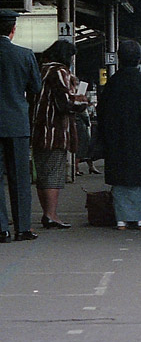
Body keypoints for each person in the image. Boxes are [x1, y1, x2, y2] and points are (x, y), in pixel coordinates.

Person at [97, 40, 141, 230]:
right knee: (140, 176)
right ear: (139, 59)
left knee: (120, 177)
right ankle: (140, 219)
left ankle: (121, 219)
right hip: (140, 139)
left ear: (119, 59)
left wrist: (105, 137)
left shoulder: (112, 84)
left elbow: (101, 112)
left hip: (116, 140)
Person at [31, 39, 89, 229]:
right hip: (55, 131)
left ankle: (47, 213)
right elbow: (64, 103)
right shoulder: (59, 72)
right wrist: (82, 102)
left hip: (38, 129)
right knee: (54, 174)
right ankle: (51, 215)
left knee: (42, 174)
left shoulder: (41, 69)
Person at [0, 9, 42, 242]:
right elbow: (36, 88)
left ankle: (1, 229)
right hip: (16, 123)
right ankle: (22, 228)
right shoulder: (25, 55)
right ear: (13, 30)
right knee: (20, 177)